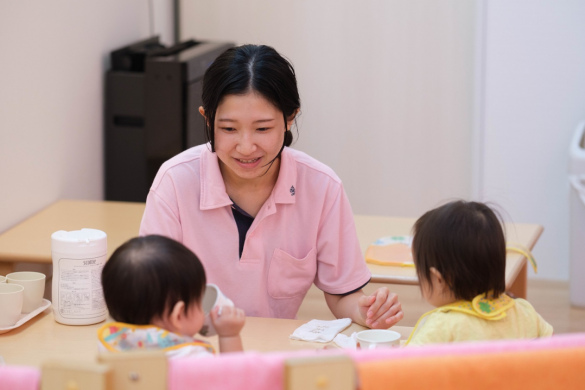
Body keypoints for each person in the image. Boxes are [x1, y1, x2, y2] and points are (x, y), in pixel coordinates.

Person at [139, 44, 403, 329]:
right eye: (229, 129)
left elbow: (342, 295)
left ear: (290, 119)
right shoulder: (175, 182)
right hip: (197, 350)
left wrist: (364, 311)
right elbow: (152, 294)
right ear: (207, 119)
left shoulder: (321, 187)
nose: (246, 146)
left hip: (275, 355)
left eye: (262, 128)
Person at [405, 200, 553, 346]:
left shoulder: (440, 328)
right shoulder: (524, 312)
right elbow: (554, 348)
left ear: (438, 279)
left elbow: (402, 367)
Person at [98, 235, 245, 357]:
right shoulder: (193, 358)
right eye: (198, 300)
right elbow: (236, 381)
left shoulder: (112, 344)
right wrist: (229, 336)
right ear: (179, 316)